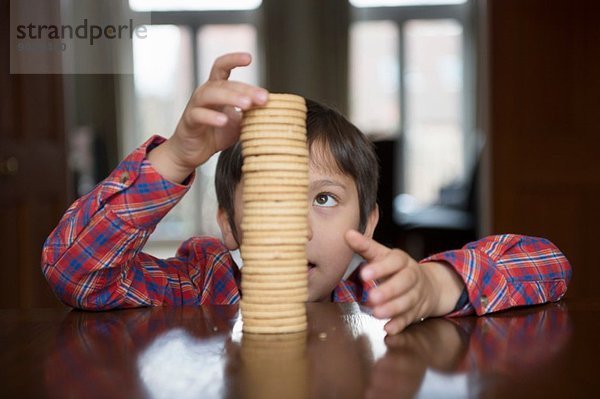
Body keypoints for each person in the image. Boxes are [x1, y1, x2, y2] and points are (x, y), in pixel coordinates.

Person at [42, 53, 571, 334]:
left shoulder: (380, 300)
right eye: (271, 201)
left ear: (366, 225)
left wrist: (436, 287)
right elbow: (74, 271)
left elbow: (548, 263)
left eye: (323, 199)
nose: (292, 228)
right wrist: (176, 156)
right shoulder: (196, 292)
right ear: (228, 223)